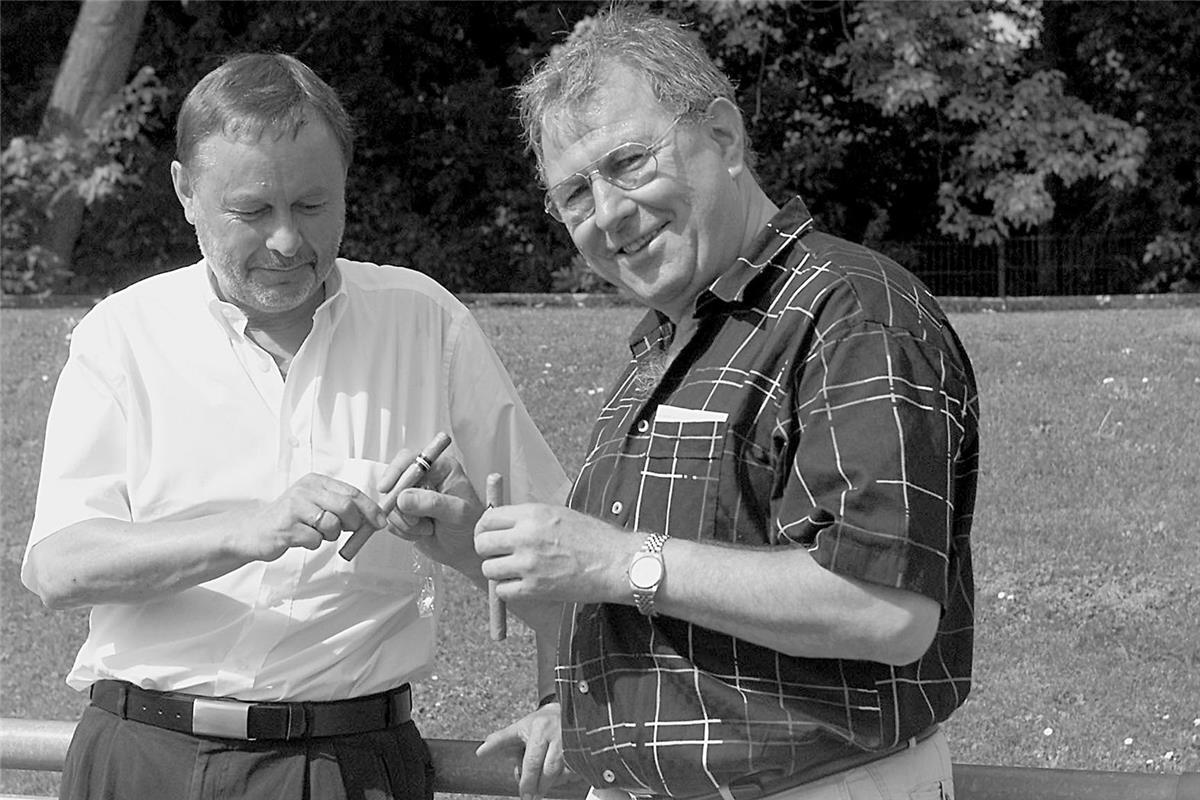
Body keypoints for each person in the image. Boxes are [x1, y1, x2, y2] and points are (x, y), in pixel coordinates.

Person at [22, 52, 570, 800]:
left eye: (312, 207)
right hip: (141, 760)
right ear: (185, 192)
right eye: (251, 211)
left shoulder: (424, 320)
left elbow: (558, 532)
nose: (285, 240)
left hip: (347, 767)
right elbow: (59, 567)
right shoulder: (123, 335)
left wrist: (559, 700)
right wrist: (250, 528)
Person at [474, 7, 978, 800]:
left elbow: (887, 612)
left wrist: (614, 558)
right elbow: (667, 609)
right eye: (574, 194)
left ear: (726, 136)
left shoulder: (850, 311)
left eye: (630, 162)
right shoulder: (669, 344)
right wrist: (576, 713)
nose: (606, 214)